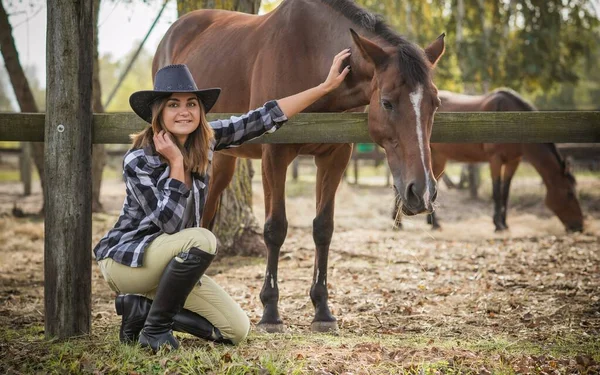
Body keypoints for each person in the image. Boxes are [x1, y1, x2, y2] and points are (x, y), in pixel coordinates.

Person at [93, 49, 351, 352]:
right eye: (173, 104)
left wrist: (324, 88)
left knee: (236, 330)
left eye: (192, 104)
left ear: (201, 112)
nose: (184, 111)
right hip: (129, 263)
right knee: (202, 239)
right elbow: (171, 225)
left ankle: (141, 310)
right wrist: (176, 164)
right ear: (159, 112)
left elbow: (264, 117)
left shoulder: (207, 141)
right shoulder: (139, 159)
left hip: (171, 267)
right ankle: (155, 330)